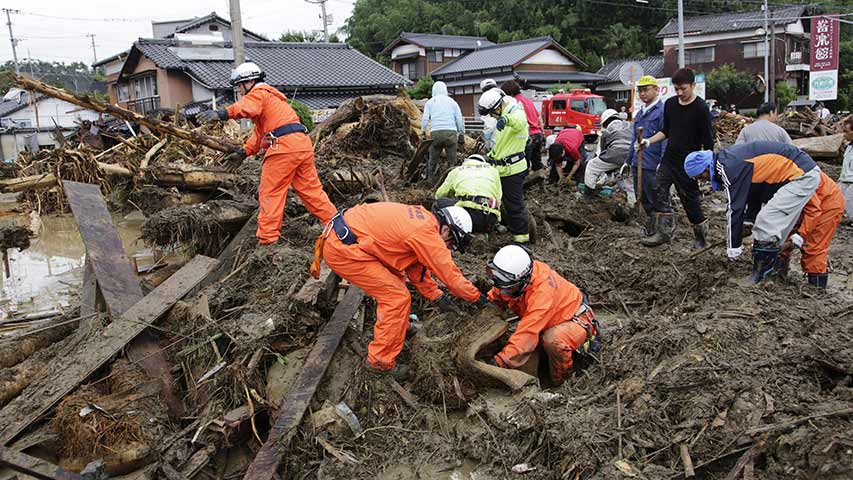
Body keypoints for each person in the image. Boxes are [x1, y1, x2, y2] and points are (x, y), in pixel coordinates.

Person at [318, 202, 487, 374]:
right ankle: (379, 362)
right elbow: (452, 277)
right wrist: (478, 299)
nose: (448, 247)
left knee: (397, 280)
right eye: (451, 243)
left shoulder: (424, 221)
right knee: (396, 298)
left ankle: (400, 329)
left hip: (346, 237)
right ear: (446, 230)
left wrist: (436, 296)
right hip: (343, 249)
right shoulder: (427, 234)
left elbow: (415, 267)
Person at [197, 62, 336, 245]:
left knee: (271, 193)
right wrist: (243, 152)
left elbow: (248, 107)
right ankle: (336, 226)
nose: (239, 89)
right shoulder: (274, 100)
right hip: (301, 144)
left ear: (250, 81)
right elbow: (259, 134)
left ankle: (268, 241)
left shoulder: (258, 93)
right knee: (311, 191)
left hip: (283, 148)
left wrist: (223, 113)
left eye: (240, 85)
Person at [685, 141, 821, 284]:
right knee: (771, 231)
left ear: (706, 168)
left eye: (700, 177)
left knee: (766, 222)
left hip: (801, 176)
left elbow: (734, 208)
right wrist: (749, 219)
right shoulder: (729, 160)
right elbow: (753, 190)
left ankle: (759, 278)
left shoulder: (727, 167)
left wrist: (733, 246)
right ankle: (770, 275)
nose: (703, 181)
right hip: (793, 175)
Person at [484, 245, 600, 385]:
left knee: (553, 340)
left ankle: (563, 381)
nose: (502, 292)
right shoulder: (511, 278)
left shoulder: (542, 292)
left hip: (573, 321)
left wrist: (499, 362)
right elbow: (496, 298)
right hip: (548, 321)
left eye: (507, 288)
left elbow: (528, 333)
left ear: (522, 282)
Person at [638, 68, 713, 249]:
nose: (680, 93)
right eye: (676, 89)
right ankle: (663, 232)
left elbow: (708, 142)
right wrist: (648, 141)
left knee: (689, 199)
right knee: (658, 188)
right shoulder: (671, 104)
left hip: (689, 163)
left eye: (683, 89)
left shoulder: (701, 108)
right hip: (669, 158)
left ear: (693, 86)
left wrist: (707, 168)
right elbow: (666, 131)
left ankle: (701, 237)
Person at [478, 88, 531, 244]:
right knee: (501, 202)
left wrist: (506, 120)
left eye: (491, 113)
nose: (491, 117)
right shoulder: (504, 115)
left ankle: (522, 240)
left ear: (497, 107)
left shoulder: (515, 113)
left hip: (512, 170)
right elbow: (503, 146)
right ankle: (505, 227)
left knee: (514, 205)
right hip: (502, 169)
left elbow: (519, 120)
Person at [777, 171, 844, 288]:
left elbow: (813, 210)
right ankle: (778, 278)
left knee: (814, 247)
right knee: (781, 237)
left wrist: (800, 234)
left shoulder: (796, 176)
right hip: (803, 202)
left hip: (827, 203)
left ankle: (817, 289)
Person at [736, 102, 793, 232]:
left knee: (753, 204)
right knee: (773, 206)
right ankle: (769, 231)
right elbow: (792, 151)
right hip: (775, 175)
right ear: (771, 112)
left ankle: (749, 227)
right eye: (776, 113)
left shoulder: (746, 130)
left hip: (753, 174)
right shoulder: (779, 131)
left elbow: (737, 151)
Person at [625, 75, 666, 236]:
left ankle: (660, 230)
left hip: (652, 163)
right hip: (638, 162)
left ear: (656, 89)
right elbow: (634, 139)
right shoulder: (640, 113)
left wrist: (662, 162)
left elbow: (665, 138)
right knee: (642, 198)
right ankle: (650, 226)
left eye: (646, 90)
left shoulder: (662, 112)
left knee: (656, 197)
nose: (642, 94)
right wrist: (628, 160)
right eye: (640, 91)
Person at [435, 154, 502, 233]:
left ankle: (438, 236)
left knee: (438, 203)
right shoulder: (493, 171)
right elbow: (499, 197)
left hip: (468, 216)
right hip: (490, 218)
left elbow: (439, 194)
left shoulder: (457, 171)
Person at [421, 81, 465, 182]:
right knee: (451, 162)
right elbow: (459, 119)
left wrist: (423, 133)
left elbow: (424, 119)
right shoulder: (452, 102)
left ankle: (430, 181)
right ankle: (451, 182)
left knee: (433, 160)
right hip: (451, 133)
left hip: (435, 133)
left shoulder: (430, 102)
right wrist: (461, 133)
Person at [501, 80, 545, 174]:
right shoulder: (528, 100)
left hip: (528, 136)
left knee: (524, 166)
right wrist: (542, 132)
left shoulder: (514, 103)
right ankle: (540, 185)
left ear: (509, 93)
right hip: (537, 134)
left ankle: (524, 187)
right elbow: (539, 117)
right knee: (537, 164)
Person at [584, 108, 632, 191]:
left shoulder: (606, 132)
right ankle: (632, 202)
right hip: (632, 155)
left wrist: (606, 170)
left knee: (592, 166)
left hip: (616, 153)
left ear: (605, 122)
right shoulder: (629, 125)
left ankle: (590, 191)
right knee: (629, 182)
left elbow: (603, 153)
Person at [839, 116, 853, 220]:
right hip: (844, 180)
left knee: (849, 202)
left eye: (846, 131)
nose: (844, 134)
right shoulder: (849, 147)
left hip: (851, 182)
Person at [479, 79, 499, 152]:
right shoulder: (502, 97)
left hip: (497, 145)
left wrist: (486, 146)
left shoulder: (487, 102)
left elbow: (488, 128)